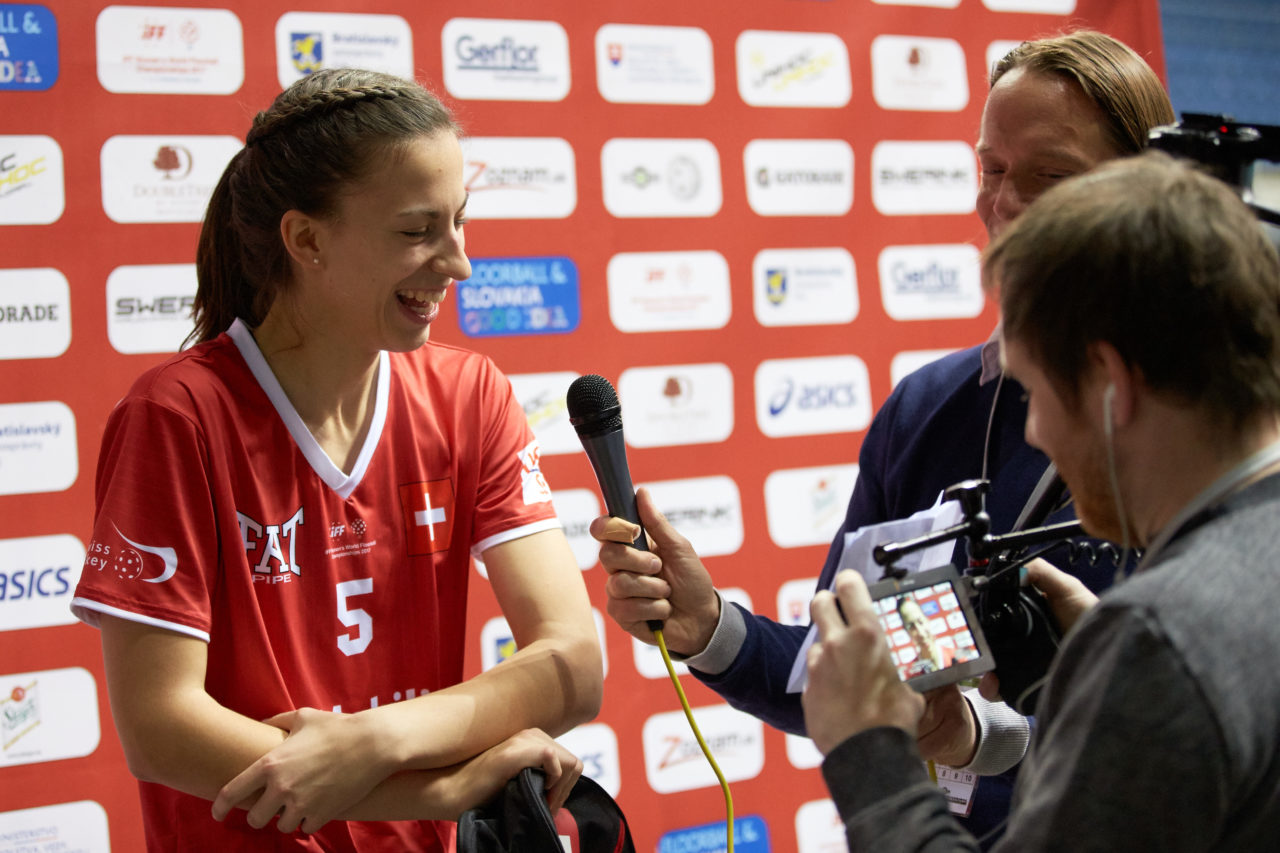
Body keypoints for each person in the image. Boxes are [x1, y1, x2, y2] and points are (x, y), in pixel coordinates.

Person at [591, 29, 1174, 842]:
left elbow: (1179, 751)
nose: (1004, 204)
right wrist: (712, 628)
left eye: (1049, 175)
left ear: (1146, 189)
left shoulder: (1190, 427)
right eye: (992, 169)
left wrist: (980, 738)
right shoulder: (927, 410)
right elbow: (844, 675)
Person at [70, 68, 602, 851]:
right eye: (418, 230)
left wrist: (373, 739)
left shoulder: (470, 391)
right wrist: (439, 788)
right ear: (307, 239)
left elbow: (573, 661)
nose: (457, 263)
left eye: (460, 222)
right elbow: (160, 726)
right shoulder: (177, 414)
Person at [802, 149, 1280, 850]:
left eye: (1034, 390)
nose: (1033, 429)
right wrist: (1086, 688)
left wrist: (871, 754)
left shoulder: (1160, 639)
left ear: (1109, 382)